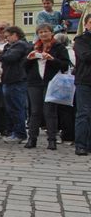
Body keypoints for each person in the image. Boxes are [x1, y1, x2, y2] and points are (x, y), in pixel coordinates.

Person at [23, 23, 69, 149]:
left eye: (45, 31)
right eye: (40, 32)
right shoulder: (33, 47)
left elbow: (65, 65)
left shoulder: (58, 47)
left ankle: (52, 140)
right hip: (34, 83)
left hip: (52, 82)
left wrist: (52, 59)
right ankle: (32, 139)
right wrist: (29, 58)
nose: (43, 34)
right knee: (35, 111)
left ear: (51, 32)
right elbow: (24, 66)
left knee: (50, 111)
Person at [0, 25, 32, 143]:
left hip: (16, 79)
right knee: (12, 108)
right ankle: (16, 132)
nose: (6, 39)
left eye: (7, 36)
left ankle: (20, 134)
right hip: (11, 79)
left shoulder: (20, 45)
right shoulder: (15, 45)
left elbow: (10, 57)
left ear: (15, 35)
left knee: (16, 108)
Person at [73, 13, 91, 156]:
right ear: (86, 24)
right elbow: (86, 56)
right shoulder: (80, 40)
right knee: (83, 113)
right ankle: (81, 144)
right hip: (84, 80)